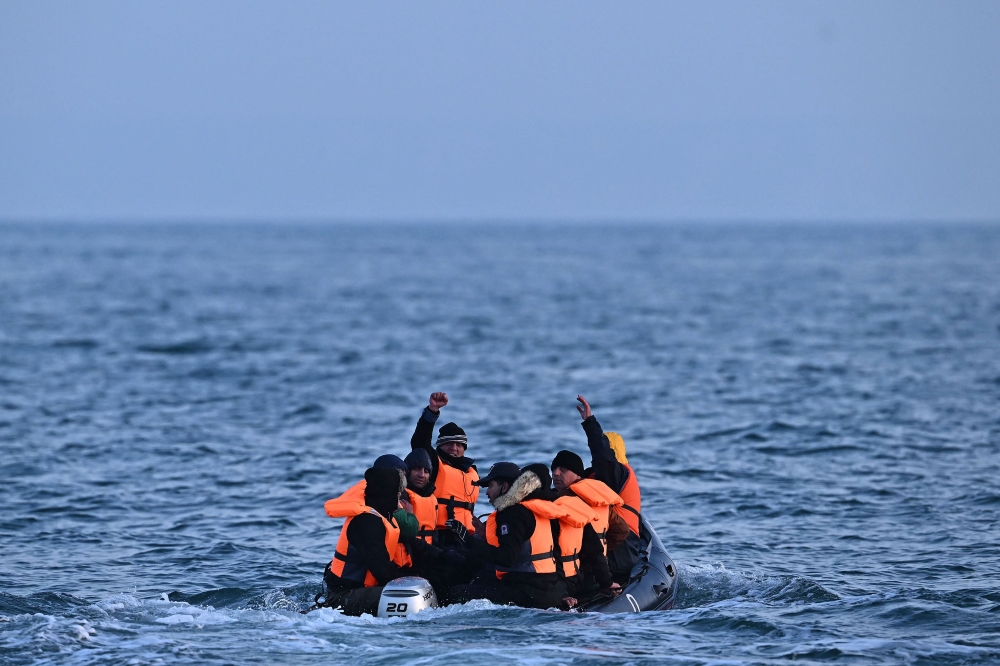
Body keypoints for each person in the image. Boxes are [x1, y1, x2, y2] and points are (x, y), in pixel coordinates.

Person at [447, 463, 570, 609]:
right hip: (547, 586)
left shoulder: (512, 513)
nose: (486, 492)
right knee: (480, 576)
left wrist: (466, 539)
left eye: (490, 486)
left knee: (456, 593)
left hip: (528, 592)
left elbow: (507, 558)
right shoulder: (534, 508)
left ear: (504, 487)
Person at [319, 467, 413, 616]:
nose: (399, 498)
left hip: (361, 590)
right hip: (342, 596)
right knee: (407, 596)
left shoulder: (383, 517)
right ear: (387, 493)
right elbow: (381, 570)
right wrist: (409, 582)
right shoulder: (366, 522)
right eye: (397, 492)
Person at [576, 395, 644, 584]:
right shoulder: (597, 477)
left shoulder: (617, 473)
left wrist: (590, 423)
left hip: (620, 550)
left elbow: (603, 458)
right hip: (610, 547)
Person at [551, 449, 622, 601]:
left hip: (574, 577)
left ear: (577, 474)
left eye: (563, 469)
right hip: (600, 573)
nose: (556, 473)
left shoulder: (563, 502)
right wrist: (603, 551)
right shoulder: (599, 497)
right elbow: (621, 531)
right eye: (553, 469)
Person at [410, 392, 480, 538]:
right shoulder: (433, 463)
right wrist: (432, 411)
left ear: (464, 448)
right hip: (440, 535)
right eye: (448, 443)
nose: (454, 448)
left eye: (459, 444)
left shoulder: (472, 471)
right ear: (440, 446)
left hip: (467, 536)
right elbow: (420, 442)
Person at [403, 449, 439, 545]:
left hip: (428, 551)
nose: (422, 475)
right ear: (407, 472)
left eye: (426, 471)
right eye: (417, 469)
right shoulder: (401, 495)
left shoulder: (432, 499)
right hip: (409, 552)